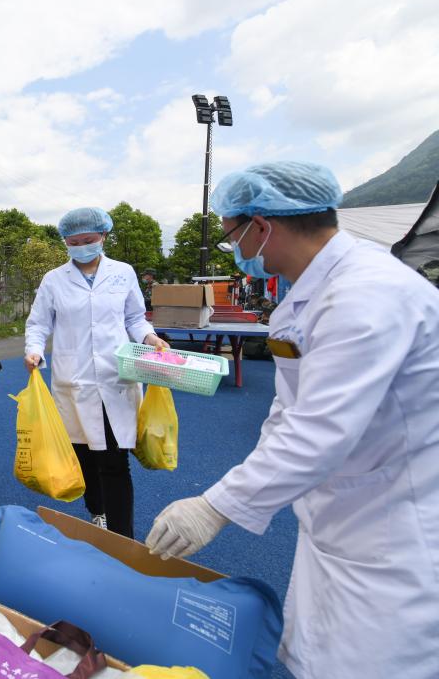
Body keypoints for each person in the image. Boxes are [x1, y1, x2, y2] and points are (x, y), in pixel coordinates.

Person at [144, 161, 439, 679]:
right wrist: (246, 482)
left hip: (397, 526)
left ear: (261, 226)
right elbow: (288, 413)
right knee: (322, 652)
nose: (234, 250)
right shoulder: (308, 294)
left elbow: (320, 430)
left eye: (232, 235)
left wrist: (216, 506)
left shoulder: (367, 296)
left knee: (374, 663)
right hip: (344, 513)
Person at [24, 207, 169, 538]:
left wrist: (149, 337)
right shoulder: (54, 280)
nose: (81, 247)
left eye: (88, 240)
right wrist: (33, 349)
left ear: (103, 236)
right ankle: (97, 512)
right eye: (73, 242)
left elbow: (134, 318)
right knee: (85, 455)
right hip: (74, 380)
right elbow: (39, 323)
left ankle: (123, 537)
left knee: (115, 461)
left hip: (116, 377)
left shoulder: (123, 273)